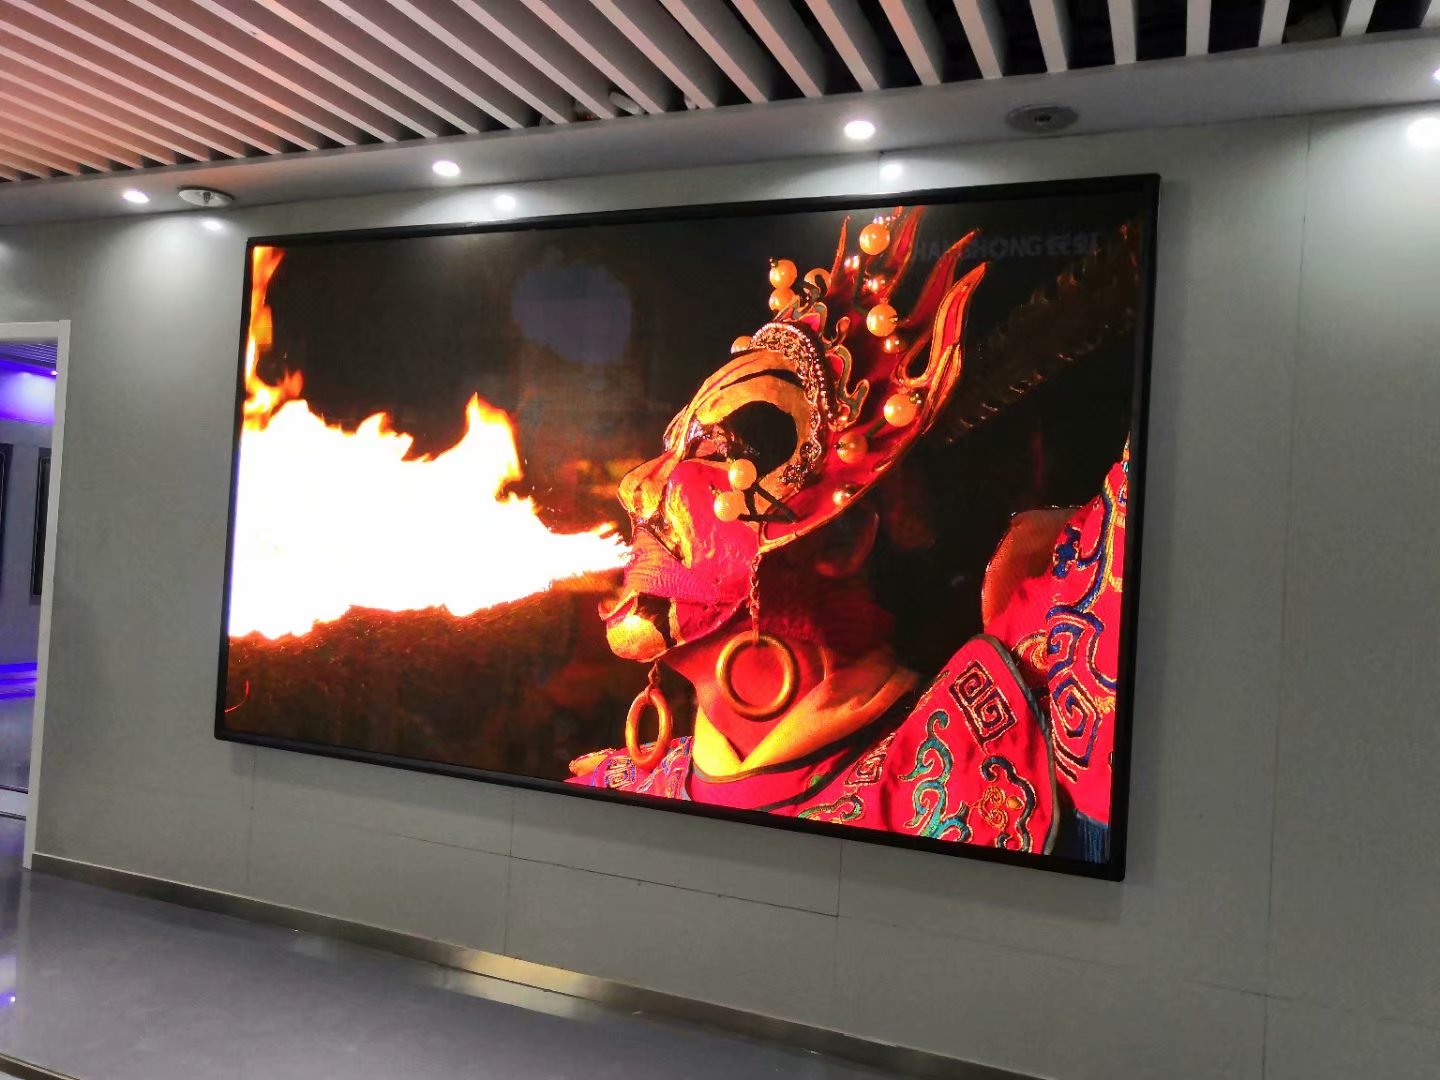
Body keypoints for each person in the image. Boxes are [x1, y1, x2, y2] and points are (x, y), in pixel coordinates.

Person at [569, 207, 1126, 862]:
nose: (637, 485)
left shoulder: (985, 757)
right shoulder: (617, 790)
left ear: (842, 540)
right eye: (672, 450)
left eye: (718, 452)